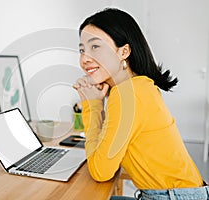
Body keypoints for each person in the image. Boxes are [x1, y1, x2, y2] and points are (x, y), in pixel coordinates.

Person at [73, 8, 208, 200]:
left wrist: (92, 105)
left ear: (124, 51)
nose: (85, 58)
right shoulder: (137, 86)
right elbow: (107, 151)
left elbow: (101, 171)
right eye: (82, 50)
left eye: (96, 47)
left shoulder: (128, 94)